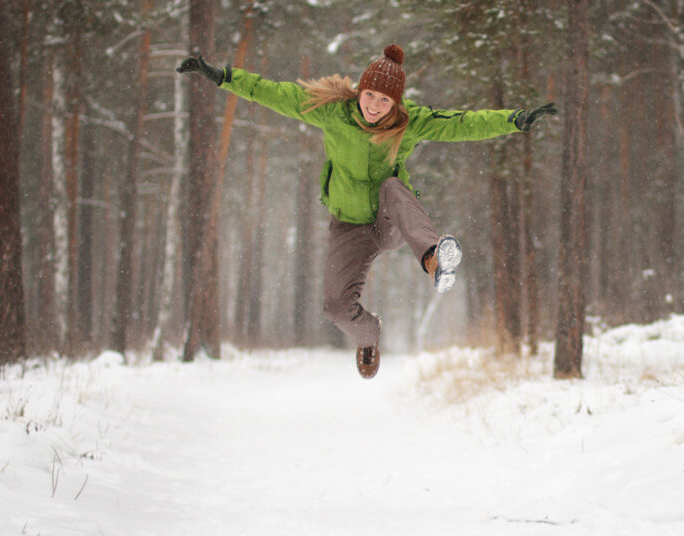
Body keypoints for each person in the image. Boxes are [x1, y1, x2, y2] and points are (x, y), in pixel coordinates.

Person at [178, 45, 556, 378]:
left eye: (385, 101)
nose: (375, 106)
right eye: (371, 95)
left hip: (389, 220)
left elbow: (462, 123)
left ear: (396, 104)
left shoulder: (409, 124)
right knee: (336, 308)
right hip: (348, 226)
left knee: (392, 186)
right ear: (361, 90)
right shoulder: (331, 113)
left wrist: (513, 120)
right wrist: (223, 76)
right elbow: (273, 93)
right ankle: (369, 335)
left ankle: (434, 259)